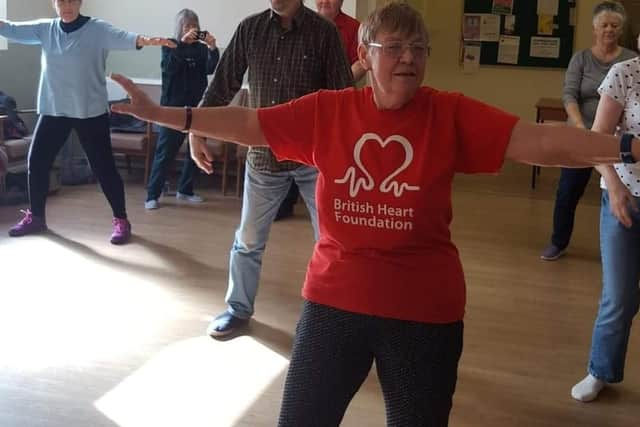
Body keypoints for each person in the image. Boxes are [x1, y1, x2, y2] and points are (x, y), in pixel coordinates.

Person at [110, 2, 640, 424]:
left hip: (423, 314)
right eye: (394, 47)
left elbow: (540, 142)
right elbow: (250, 124)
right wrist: (164, 116)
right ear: (366, 53)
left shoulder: (448, 113)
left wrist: (626, 148)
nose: (408, 57)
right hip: (333, 305)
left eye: (418, 48)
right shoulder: (329, 111)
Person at [192, 0, 353, 337]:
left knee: (333, 242)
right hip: (264, 159)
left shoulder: (324, 33)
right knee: (248, 240)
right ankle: (237, 310)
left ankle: (335, 318)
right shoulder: (250, 29)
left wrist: (347, 155)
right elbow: (223, 84)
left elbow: (344, 98)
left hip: (313, 160)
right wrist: (197, 131)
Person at [0, 0, 174, 244]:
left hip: (89, 111)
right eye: (62, 1)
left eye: (72, 0)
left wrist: (148, 40)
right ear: (54, 3)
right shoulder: (45, 29)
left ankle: (121, 220)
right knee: (37, 160)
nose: (67, 5)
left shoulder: (97, 30)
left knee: (104, 168)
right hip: (55, 110)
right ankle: (36, 217)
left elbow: (125, 37)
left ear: (80, 2)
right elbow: (9, 28)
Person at [569, 38, 640, 403]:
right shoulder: (624, 74)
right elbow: (596, 143)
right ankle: (601, 370)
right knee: (619, 296)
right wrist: (612, 186)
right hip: (625, 199)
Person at [540, 1, 635, 261]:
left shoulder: (630, 61)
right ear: (595, 29)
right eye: (604, 25)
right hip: (581, 136)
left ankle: (623, 245)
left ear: (621, 29)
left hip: (615, 139)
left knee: (621, 189)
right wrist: (581, 127)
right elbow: (569, 94)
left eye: (614, 25)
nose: (609, 30)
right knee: (568, 191)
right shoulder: (581, 59)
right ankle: (558, 241)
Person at [144, 9, 219, 210]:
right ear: (179, 28)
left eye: (194, 26)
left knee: (196, 151)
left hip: (197, 107)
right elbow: (169, 68)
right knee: (165, 151)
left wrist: (212, 48)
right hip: (173, 107)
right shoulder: (170, 45)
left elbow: (210, 69)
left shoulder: (201, 49)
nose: (191, 30)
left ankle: (185, 190)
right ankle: (153, 194)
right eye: (187, 26)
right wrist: (182, 45)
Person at [316, 0, 365, 81]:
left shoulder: (354, 27)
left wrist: (339, 85)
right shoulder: (303, 24)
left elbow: (360, 63)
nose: (325, 1)